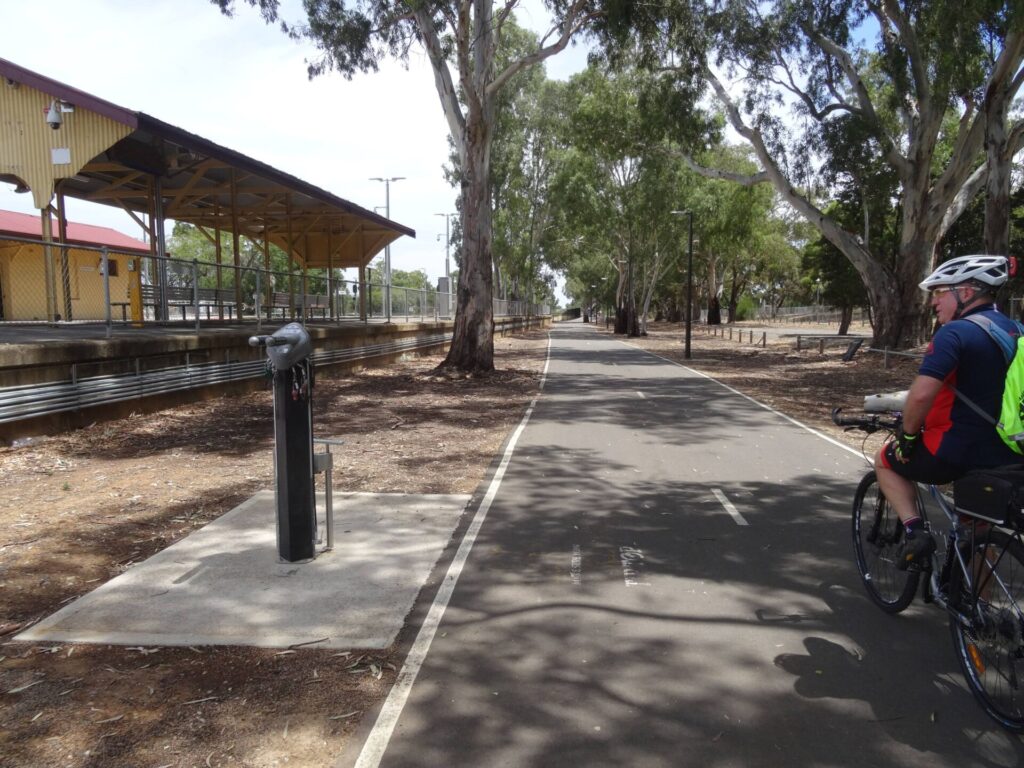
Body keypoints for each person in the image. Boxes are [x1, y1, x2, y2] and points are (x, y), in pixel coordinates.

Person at [875, 254, 1022, 569]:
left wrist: (908, 437)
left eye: (940, 292)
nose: (934, 302)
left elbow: (920, 396)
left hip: (954, 452)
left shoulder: (955, 334)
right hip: (1010, 454)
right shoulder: (1018, 332)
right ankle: (973, 612)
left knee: (885, 461)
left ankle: (915, 533)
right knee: (976, 528)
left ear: (966, 292)